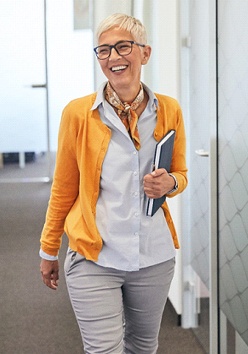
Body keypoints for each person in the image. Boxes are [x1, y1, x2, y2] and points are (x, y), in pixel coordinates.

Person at [39, 13, 188, 354]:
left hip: (153, 255)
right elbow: (63, 187)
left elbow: (180, 174)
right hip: (94, 253)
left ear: (144, 53)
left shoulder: (168, 109)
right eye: (104, 50)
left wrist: (170, 184)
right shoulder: (78, 114)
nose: (114, 58)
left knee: (142, 346)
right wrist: (48, 248)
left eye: (123, 47)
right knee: (103, 350)